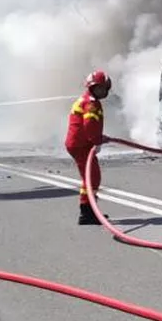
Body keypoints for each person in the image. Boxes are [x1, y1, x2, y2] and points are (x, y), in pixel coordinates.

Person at [66, 70, 111, 225]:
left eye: (103, 88)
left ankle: (89, 211)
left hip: (80, 144)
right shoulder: (91, 103)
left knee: (91, 176)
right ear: (91, 88)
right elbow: (90, 125)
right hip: (80, 145)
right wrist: (97, 139)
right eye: (99, 88)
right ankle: (87, 213)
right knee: (92, 177)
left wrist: (96, 139)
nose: (101, 91)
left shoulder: (87, 99)